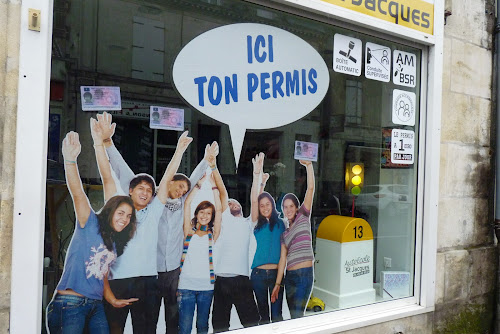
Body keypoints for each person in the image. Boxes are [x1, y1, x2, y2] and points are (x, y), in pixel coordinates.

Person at [96, 112, 217, 333]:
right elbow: (121, 172)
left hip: (167, 270)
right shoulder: (139, 205)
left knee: (163, 317)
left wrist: (204, 161)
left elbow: (191, 179)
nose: (181, 190)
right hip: (134, 274)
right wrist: (107, 143)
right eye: (178, 186)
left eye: (184, 189)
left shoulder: (173, 205)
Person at [46, 132, 138, 334]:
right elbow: (78, 192)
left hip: (96, 305)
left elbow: (101, 275)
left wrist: (113, 300)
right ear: (110, 211)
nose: (124, 218)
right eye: (121, 213)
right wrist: (70, 160)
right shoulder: (90, 222)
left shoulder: (113, 242)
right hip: (71, 303)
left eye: (129, 216)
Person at [210, 154, 260, 333]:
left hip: (241, 279)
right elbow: (223, 193)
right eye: (229, 203)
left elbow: (255, 199)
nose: (231, 203)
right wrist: (214, 167)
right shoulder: (223, 220)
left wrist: (257, 175)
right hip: (221, 280)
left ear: (241, 208)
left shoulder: (249, 223)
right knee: (220, 326)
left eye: (234, 202)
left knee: (252, 324)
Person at [178, 174, 222, 334]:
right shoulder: (188, 231)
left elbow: (219, 209)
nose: (205, 216)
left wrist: (214, 187)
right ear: (197, 214)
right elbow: (187, 203)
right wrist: (199, 184)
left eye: (208, 214)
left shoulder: (213, 235)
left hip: (206, 287)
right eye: (202, 212)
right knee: (185, 328)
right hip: (186, 287)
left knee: (202, 327)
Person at [272, 160, 315, 319]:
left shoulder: (303, 216)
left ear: (297, 208)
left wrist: (308, 166)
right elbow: (282, 259)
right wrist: (278, 284)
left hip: (304, 274)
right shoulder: (284, 234)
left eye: (291, 206)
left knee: (298, 315)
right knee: (293, 315)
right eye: (285, 207)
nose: (288, 209)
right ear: (282, 210)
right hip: (289, 277)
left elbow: (310, 188)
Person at [250, 153, 286, 324]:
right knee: (263, 317)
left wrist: (278, 283)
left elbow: (283, 257)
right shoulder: (257, 224)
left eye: (267, 204)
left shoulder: (281, 225)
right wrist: (257, 176)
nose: (264, 208)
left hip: (275, 275)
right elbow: (254, 201)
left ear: (273, 205)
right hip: (257, 276)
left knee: (277, 316)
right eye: (262, 205)